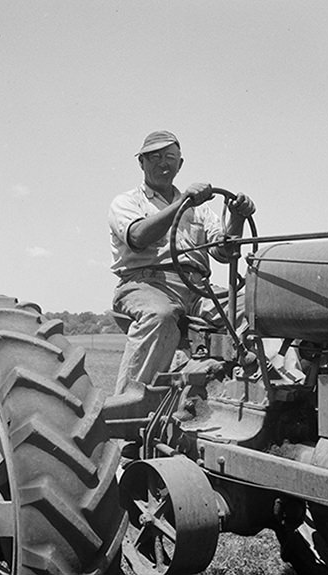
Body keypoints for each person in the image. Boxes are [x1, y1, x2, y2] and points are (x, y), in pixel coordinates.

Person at [107, 130, 256, 397]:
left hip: (198, 289)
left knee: (257, 308)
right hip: (146, 284)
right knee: (159, 316)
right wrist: (182, 203)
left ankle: (258, 390)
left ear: (180, 164)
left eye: (170, 157)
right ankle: (128, 403)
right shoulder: (127, 202)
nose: (163, 163)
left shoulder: (200, 209)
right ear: (141, 163)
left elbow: (223, 252)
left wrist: (237, 218)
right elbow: (138, 237)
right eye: (154, 157)